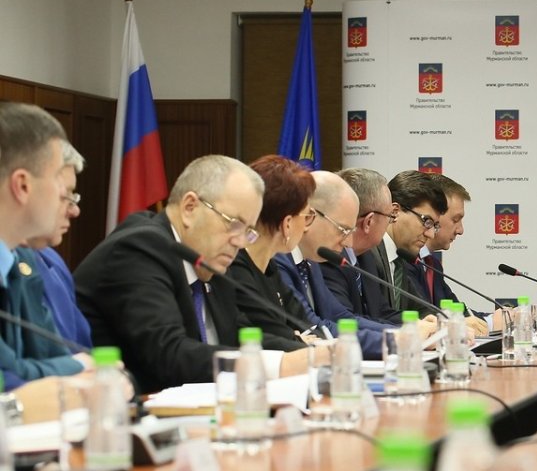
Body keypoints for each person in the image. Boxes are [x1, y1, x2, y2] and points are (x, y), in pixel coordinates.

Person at [75, 155, 310, 393]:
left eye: (248, 231)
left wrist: (309, 355)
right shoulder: (139, 248)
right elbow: (168, 354)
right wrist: (279, 365)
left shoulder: (209, 261)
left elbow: (238, 334)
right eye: (233, 224)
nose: (239, 242)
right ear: (190, 208)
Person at [0, 103, 90, 384]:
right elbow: (8, 378)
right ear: (23, 186)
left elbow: (50, 356)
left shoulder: (19, 262)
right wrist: (75, 369)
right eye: (57, 182)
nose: (69, 202)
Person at [274, 171, 409, 359]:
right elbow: (313, 326)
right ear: (309, 217)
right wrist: (395, 340)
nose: (348, 243)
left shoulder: (311, 260)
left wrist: (401, 334)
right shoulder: (278, 260)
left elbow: (339, 317)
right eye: (343, 230)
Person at [226, 156, 318, 346]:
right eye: (307, 216)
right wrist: (296, 337)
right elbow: (272, 335)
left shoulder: (269, 265)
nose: (307, 227)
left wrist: (296, 337)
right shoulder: (234, 267)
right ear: (287, 224)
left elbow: (307, 326)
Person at [26, 139, 91, 350]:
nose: (75, 210)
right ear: (23, 188)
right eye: (66, 196)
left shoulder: (52, 261)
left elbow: (81, 346)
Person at [318, 168, 404, 324]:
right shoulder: (329, 258)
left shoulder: (367, 256)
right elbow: (344, 321)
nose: (391, 222)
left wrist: (418, 324)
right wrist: (402, 333)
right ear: (369, 222)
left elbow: (381, 312)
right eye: (390, 216)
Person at [414, 173, 490, 336]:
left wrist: (493, 319)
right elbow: (419, 315)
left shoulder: (432, 264)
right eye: (455, 220)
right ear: (434, 214)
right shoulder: (406, 261)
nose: (460, 230)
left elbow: (456, 310)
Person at [372, 170, 447, 318]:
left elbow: (422, 311)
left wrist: (453, 321)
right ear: (395, 212)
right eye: (427, 222)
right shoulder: (369, 255)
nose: (431, 234)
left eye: (435, 226)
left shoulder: (401, 259)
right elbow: (379, 316)